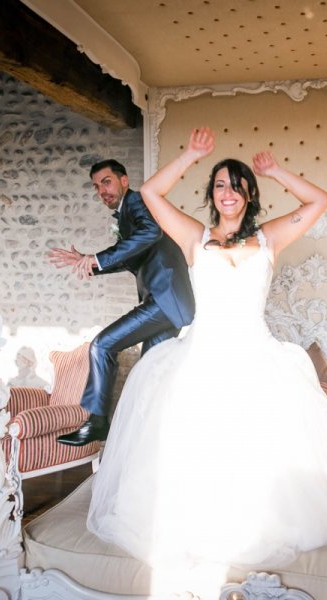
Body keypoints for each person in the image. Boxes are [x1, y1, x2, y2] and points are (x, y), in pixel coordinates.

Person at [86, 128, 327, 570]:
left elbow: (318, 201)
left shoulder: (270, 239)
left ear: (249, 193)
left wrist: (276, 171)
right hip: (200, 361)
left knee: (256, 454)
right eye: (219, 185)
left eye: (237, 184)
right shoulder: (195, 238)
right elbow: (153, 192)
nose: (228, 192)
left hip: (257, 360)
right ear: (211, 195)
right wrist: (192, 153)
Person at [48, 159, 195, 446]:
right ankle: (153, 440)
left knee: (102, 345)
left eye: (106, 181)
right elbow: (131, 256)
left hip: (165, 300)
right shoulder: (127, 213)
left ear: (123, 181)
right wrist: (89, 263)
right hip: (168, 303)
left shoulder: (138, 202)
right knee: (149, 375)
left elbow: (151, 234)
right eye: (96, 186)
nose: (101, 190)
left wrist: (98, 258)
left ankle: (96, 422)